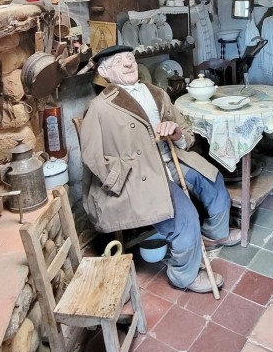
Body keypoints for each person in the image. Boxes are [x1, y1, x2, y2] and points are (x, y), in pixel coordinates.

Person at [79, 45, 240, 293]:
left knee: (213, 179)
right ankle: (183, 276)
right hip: (140, 176)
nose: (128, 63)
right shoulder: (100, 108)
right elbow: (92, 155)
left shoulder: (158, 94)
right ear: (104, 71)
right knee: (184, 216)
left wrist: (175, 135)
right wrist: (122, 181)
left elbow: (185, 132)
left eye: (130, 58)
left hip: (171, 159)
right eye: (119, 61)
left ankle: (215, 234)